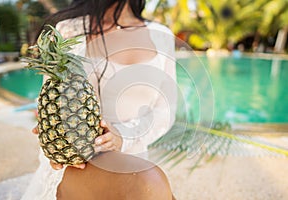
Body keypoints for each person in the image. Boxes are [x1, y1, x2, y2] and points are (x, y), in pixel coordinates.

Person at [22, 0, 177, 199]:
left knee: (150, 183)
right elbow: (53, 97)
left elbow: (166, 112)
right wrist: (52, 137)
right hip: (80, 163)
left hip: (133, 157)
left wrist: (122, 137)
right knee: (149, 183)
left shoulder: (161, 35)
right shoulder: (70, 29)